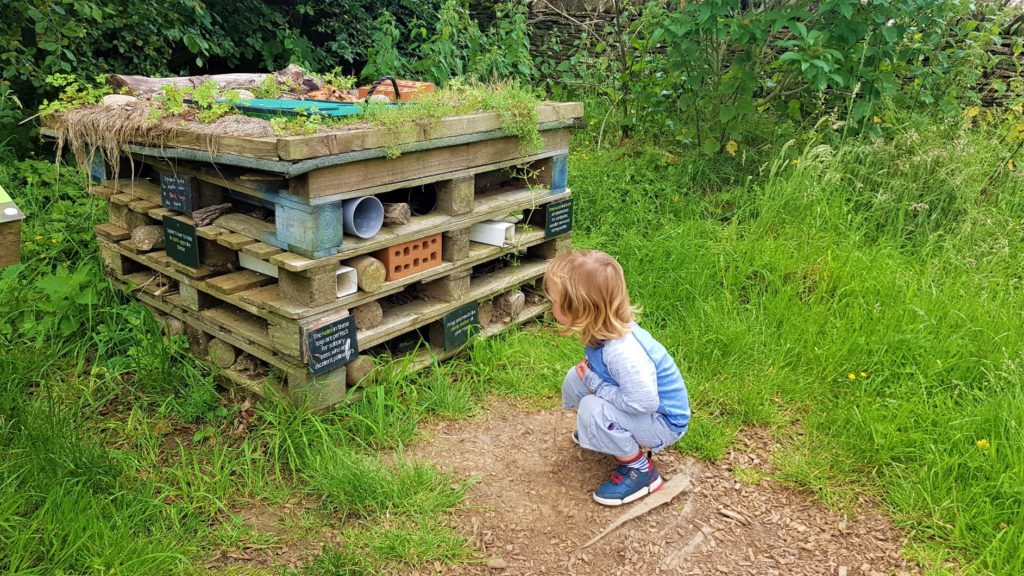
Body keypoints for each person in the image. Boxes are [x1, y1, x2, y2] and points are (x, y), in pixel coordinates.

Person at [544, 249, 690, 506]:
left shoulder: (623, 352)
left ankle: (640, 470)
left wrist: (597, 384)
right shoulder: (603, 329)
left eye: (555, 302)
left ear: (581, 310)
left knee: (592, 405)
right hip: (643, 407)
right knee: (575, 379)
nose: (551, 305)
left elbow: (642, 403)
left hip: (664, 423)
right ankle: (605, 432)